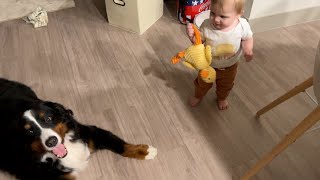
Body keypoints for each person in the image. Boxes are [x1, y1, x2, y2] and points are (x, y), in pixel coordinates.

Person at [187, 0, 253, 110]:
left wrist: (248, 49)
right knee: (202, 83)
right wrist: (192, 36)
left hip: (230, 66)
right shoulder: (206, 25)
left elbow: (247, 38)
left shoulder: (242, 26)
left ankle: (221, 98)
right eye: (212, 13)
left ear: (238, 14)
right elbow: (198, 42)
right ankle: (198, 95)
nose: (216, 19)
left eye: (223, 16)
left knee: (226, 86)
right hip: (208, 65)